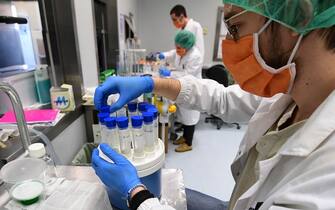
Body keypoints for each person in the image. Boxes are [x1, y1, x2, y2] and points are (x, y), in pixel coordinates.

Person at [93, 1, 335, 210]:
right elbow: (222, 98)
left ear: (294, 17)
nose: (228, 43)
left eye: (235, 27)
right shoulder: (291, 93)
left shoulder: (326, 178)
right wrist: (149, 83)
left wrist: (136, 193)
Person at [161, 30, 202, 152]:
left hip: (192, 88)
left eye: (180, 48)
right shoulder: (180, 50)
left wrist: (170, 73)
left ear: (187, 46)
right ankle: (184, 138)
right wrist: (162, 54)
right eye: (176, 47)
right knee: (183, 115)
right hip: (182, 87)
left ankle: (188, 143)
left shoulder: (195, 56)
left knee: (190, 117)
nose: (177, 50)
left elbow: (187, 74)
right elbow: (172, 54)